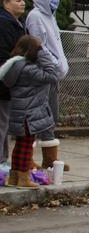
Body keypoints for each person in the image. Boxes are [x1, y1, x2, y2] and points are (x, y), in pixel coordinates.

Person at [1, 35, 59, 188]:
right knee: (26, 146)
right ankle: (23, 178)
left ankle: (15, 177)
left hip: (20, 112)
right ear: (33, 50)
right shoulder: (29, 69)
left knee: (21, 145)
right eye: (39, 48)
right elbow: (52, 75)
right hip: (29, 113)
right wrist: (43, 53)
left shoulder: (15, 66)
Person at [24, 0, 70, 171]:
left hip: (53, 75)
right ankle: (27, 158)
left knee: (50, 114)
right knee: (37, 115)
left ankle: (50, 159)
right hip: (43, 74)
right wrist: (53, 65)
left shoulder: (50, 16)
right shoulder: (35, 17)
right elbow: (39, 46)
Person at [1, 0, 28, 166]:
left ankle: (3, 159)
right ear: (6, 3)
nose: (22, 3)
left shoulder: (17, 23)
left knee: (5, 123)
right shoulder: (4, 24)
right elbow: (4, 54)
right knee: (2, 123)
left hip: (12, 82)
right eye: (17, 0)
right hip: (5, 81)